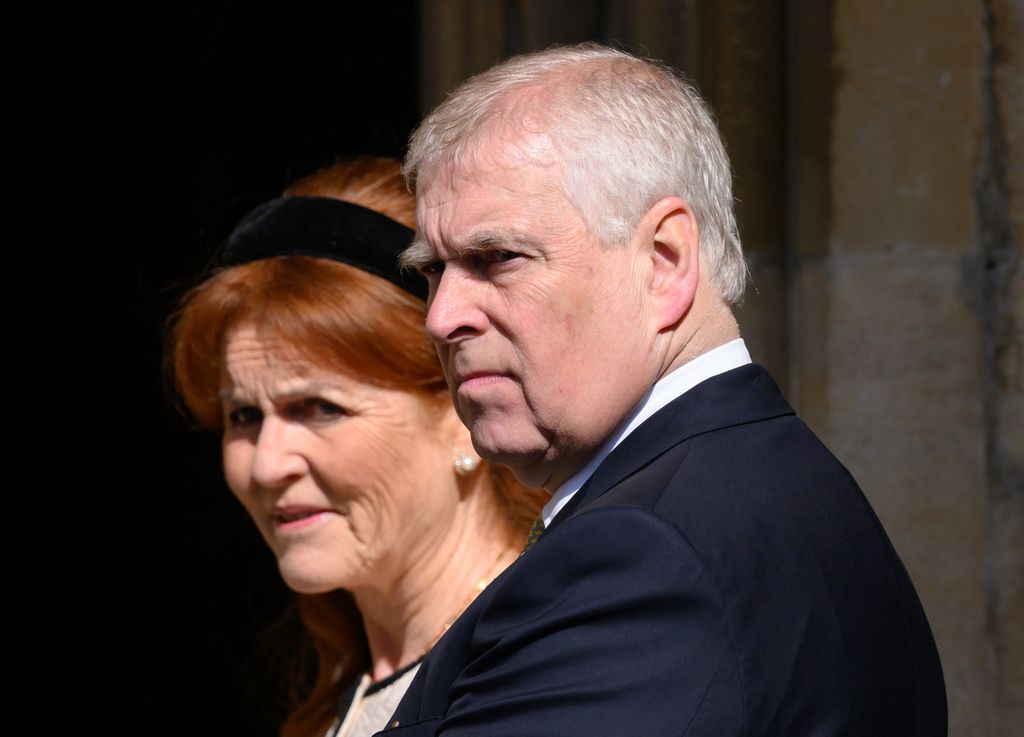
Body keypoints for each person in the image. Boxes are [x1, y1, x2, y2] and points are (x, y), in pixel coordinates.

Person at [383, 45, 947, 736]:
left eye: (497, 258)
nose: (441, 317)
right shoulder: (764, 482)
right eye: (435, 270)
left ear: (664, 262)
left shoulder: (646, 554)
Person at [168, 157, 545, 737]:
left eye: (319, 409)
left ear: (460, 413)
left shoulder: (537, 668)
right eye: (243, 415)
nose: (267, 465)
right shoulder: (357, 689)